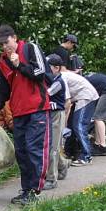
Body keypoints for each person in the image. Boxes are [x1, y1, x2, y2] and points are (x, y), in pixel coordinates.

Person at [0, 24, 51, 205]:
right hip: (18, 111)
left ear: (14, 38)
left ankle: (35, 190)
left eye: (6, 42)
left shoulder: (30, 48)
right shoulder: (2, 61)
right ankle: (26, 190)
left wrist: (19, 65)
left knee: (34, 149)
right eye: (1, 44)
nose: (4, 47)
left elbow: (40, 73)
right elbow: (1, 89)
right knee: (22, 152)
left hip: (37, 109)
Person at [73, 56, 106, 156]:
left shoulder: (82, 82)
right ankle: (98, 144)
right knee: (97, 117)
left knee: (98, 118)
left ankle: (102, 146)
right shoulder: (86, 78)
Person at [58, 58, 99, 166]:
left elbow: (67, 103)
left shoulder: (62, 77)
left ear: (56, 67)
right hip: (79, 97)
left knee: (79, 126)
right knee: (72, 126)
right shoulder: (61, 75)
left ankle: (87, 156)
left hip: (86, 96)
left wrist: (64, 122)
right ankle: (69, 152)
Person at [44, 54, 71, 189]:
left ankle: (51, 179)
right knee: (49, 145)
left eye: (48, 67)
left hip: (56, 115)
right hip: (48, 114)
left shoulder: (58, 82)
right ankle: (63, 164)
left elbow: (46, 94)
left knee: (52, 148)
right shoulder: (50, 79)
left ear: (56, 68)